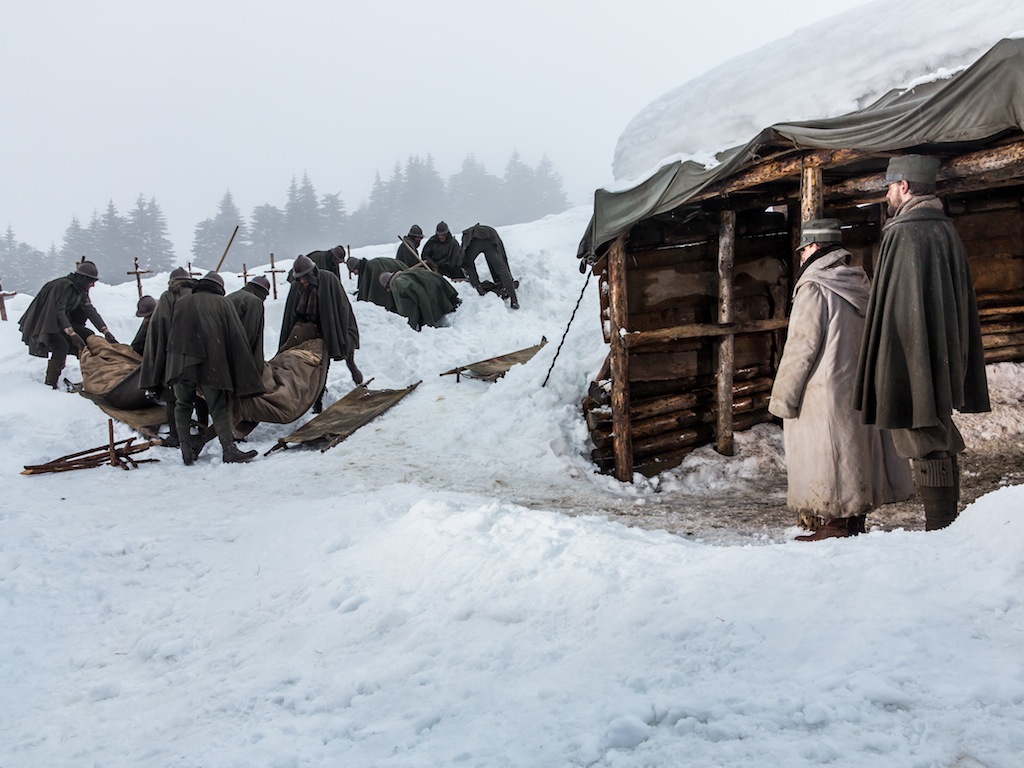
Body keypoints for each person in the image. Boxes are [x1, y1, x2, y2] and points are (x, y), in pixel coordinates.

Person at [854, 155, 991, 531]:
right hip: (940, 350)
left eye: (889, 187)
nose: (886, 195)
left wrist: (896, 361)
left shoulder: (905, 232)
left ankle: (941, 525)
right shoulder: (944, 230)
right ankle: (945, 523)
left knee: (923, 434)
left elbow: (900, 310)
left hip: (912, 353)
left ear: (905, 187)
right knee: (937, 431)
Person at [769, 219, 913, 540]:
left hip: (824, 390)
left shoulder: (814, 288)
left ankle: (833, 525)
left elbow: (802, 346)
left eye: (804, 248)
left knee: (830, 455)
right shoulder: (861, 283)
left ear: (816, 248)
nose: (802, 254)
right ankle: (854, 522)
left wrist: (783, 398)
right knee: (854, 452)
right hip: (859, 386)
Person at [165, 271, 264, 465]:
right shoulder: (222, 303)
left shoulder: (183, 301)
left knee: (182, 404)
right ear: (219, 288)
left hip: (181, 363)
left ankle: (186, 449)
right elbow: (236, 337)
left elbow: (172, 332)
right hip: (210, 365)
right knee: (218, 407)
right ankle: (228, 449)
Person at [279, 254, 363, 411]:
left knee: (348, 356)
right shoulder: (297, 287)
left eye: (305, 278)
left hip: (333, 325)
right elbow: (292, 313)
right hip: (312, 329)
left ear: (312, 273)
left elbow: (342, 308)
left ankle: (357, 378)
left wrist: (339, 333)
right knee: (319, 364)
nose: (303, 282)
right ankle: (317, 400)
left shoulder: (328, 280)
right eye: (300, 279)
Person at [18, 260, 118, 388]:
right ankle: (50, 383)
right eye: (91, 281)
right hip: (47, 322)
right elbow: (58, 311)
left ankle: (92, 379)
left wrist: (105, 331)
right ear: (83, 278)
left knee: (88, 336)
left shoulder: (81, 289)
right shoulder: (64, 286)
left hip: (63, 322)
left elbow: (89, 310)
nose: (92, 285)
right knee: (61, 346)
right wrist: (71, 333)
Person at [140, 267, 199, 447]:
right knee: (198, 395)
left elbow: (159, 327)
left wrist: (158, 357)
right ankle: (202, 425)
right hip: (197, 354)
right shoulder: (197, 295)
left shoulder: (167, 297)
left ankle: (176, 436)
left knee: (172, 397)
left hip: (171, 355)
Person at [461, 223, 520, 309]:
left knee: (468, 263)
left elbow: (467, 263)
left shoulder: (468, 237)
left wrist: (477, 285)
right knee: (501, 268)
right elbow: (502, 257)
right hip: (490, 239)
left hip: (476, 243)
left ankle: (479, 287)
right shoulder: (489, 232)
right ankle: (514, 300)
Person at [379, 269, 460, 331]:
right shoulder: (409, 271)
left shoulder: (398, 285)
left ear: (388, 286)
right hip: (443, 301)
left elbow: (408, 308)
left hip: (433, 311)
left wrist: (411, 327)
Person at [226, 275, 270, 374]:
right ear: (262, 292)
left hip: (222, 352)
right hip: (239, 357)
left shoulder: (230, 297)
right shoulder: (254, 301)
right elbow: (251, 333)